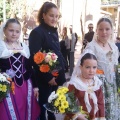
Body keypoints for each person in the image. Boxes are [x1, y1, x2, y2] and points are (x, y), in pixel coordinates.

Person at [29, 2, 66, 120]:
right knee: (43, 108)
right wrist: (48, 77)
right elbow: (35, 59)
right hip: (44, 79)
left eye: (56, 16)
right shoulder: (37, 32)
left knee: (52, 106)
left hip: (56, 76)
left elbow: (56, 52)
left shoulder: (54, 31)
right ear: (43, 15)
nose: (54, 19)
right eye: (51, 15)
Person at [0, 18, 40, 120]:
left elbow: (29, 68)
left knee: (25, 111)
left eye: (17, 31)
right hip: (8, 87)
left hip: (25, 85)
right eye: (11, 30)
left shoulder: (24, 47)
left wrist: (35, 86)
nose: (14, 34)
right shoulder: (1, 47)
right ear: (4, 30)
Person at [84, 17, 120, 120]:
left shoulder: (114, 47)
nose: (104, 32)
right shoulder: (92, 47)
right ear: (97, 30)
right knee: (99, 113)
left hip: (112, 85)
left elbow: (115, 66)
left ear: (111, 30)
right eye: (101, 29)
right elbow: (84, 67)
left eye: (107, 29)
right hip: (97, 85)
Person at [65, 52, 105, 120]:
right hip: (80, 117)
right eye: (87, 67)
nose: (91, 71)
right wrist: (77, 115)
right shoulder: (75, 84)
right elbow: (68, 103)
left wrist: (101, 116)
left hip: (94, 116)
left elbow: (100, 102)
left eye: (94, 67)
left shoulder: (97, 83)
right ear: (81, 67)